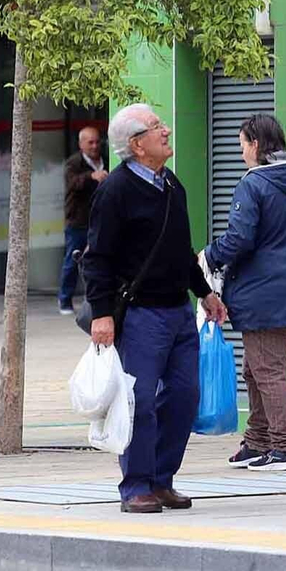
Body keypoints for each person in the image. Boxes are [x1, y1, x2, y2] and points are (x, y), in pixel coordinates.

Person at [82, 104, 226, 514]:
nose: (166, 131)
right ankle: (137, 485)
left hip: (179, 311)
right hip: (141, 315)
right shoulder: (115, 191)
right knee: (139, 400)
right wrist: (101, 313)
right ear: (136, 145)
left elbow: (181, 250)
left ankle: (162, 479)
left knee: (184, 396)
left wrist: (205, 292)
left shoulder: (171, 186)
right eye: (156, 127)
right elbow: (97, 258)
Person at [202, 114, 286, 472]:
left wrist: (208, 256)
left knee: (267, 370)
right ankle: (257, 440)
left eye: (242, 146)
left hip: (264, 290)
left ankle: (284, 446)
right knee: (255, 369)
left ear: (255, 144)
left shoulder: (254, 184)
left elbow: (240, 238)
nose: (241, 154)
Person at [59, 126, 108, 315]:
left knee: (97, 261)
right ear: (81, 144)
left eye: (97, 141)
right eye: (90, 142)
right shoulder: (74, 163)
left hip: (100, 221)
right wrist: (91, 176)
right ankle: (65, 300)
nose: (95, 146)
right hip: (78, 222)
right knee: (72, 260)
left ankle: (95, 299)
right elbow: (73, 183)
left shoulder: (105, 159)